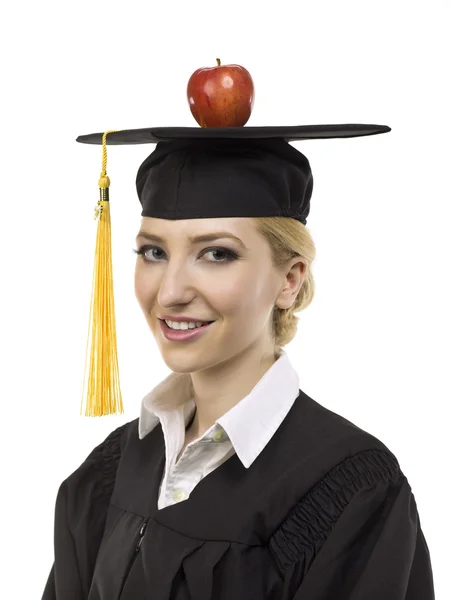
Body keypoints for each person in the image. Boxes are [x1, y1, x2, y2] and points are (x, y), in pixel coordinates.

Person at [42, 124, 435, 599]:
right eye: (153, 252)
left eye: (216, 253)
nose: (170, 292)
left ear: (289, 280)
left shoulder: (352, 492)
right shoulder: (110, 470)